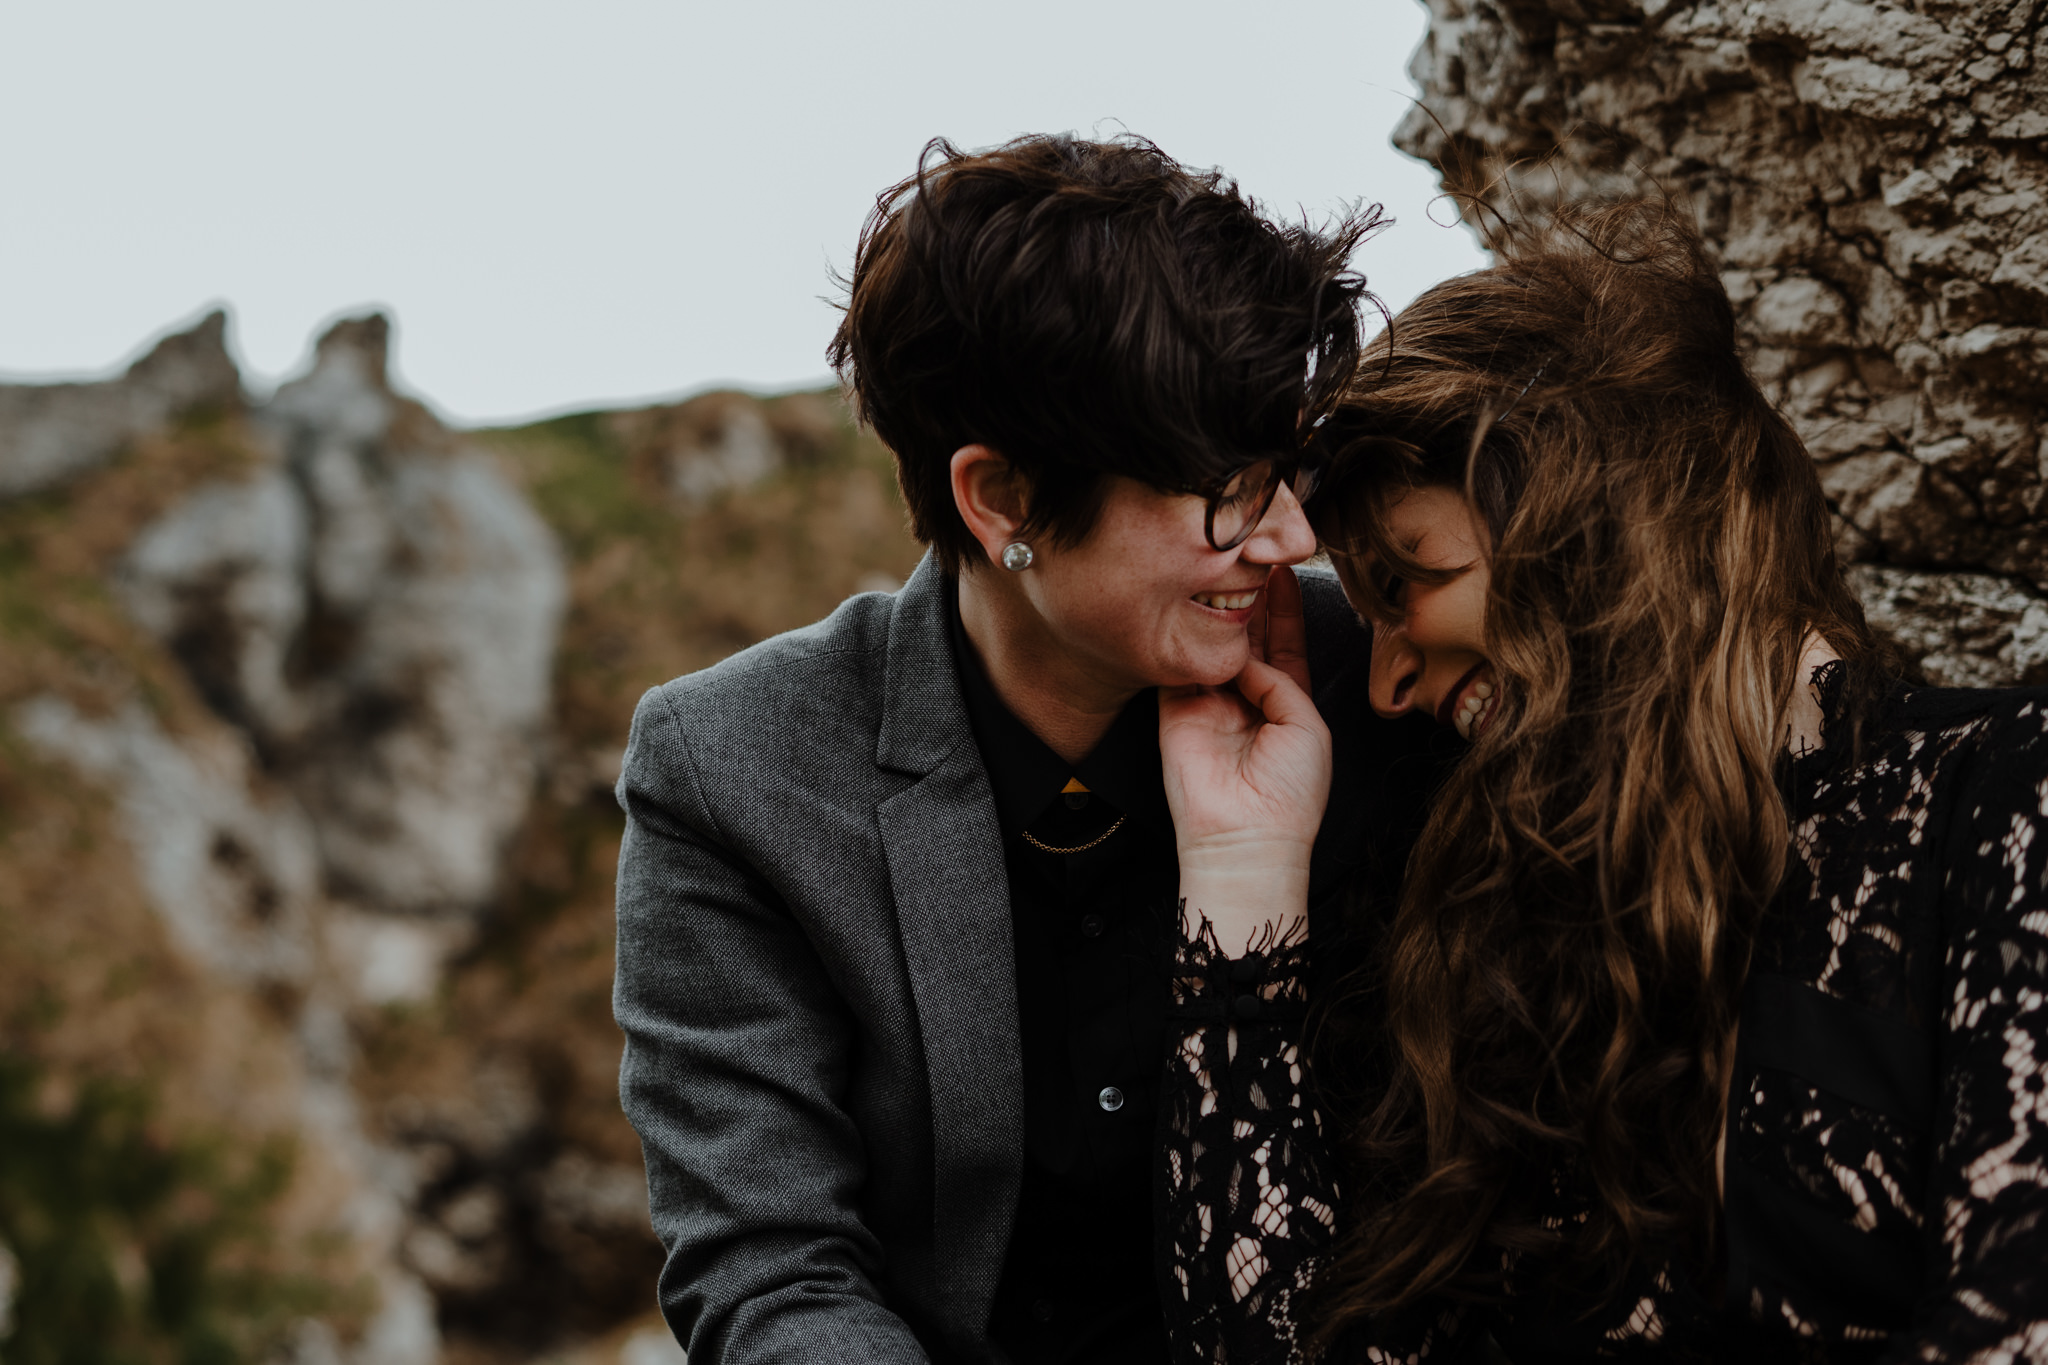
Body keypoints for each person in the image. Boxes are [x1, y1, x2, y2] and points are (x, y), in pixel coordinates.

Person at [1155, 201, 2048, 1362]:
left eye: (1411, 580)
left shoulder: (1997, 805)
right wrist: (1242, 872)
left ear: (1599, 533)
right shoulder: (1485, 907)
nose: (1382, 685)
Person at [611, 133, 1451, 1365]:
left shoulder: (1385, 687)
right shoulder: (728, 768)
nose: (1289, 535)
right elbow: (770, 1272)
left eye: (1292, 468)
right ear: (1000, 500)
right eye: (1223, 486)